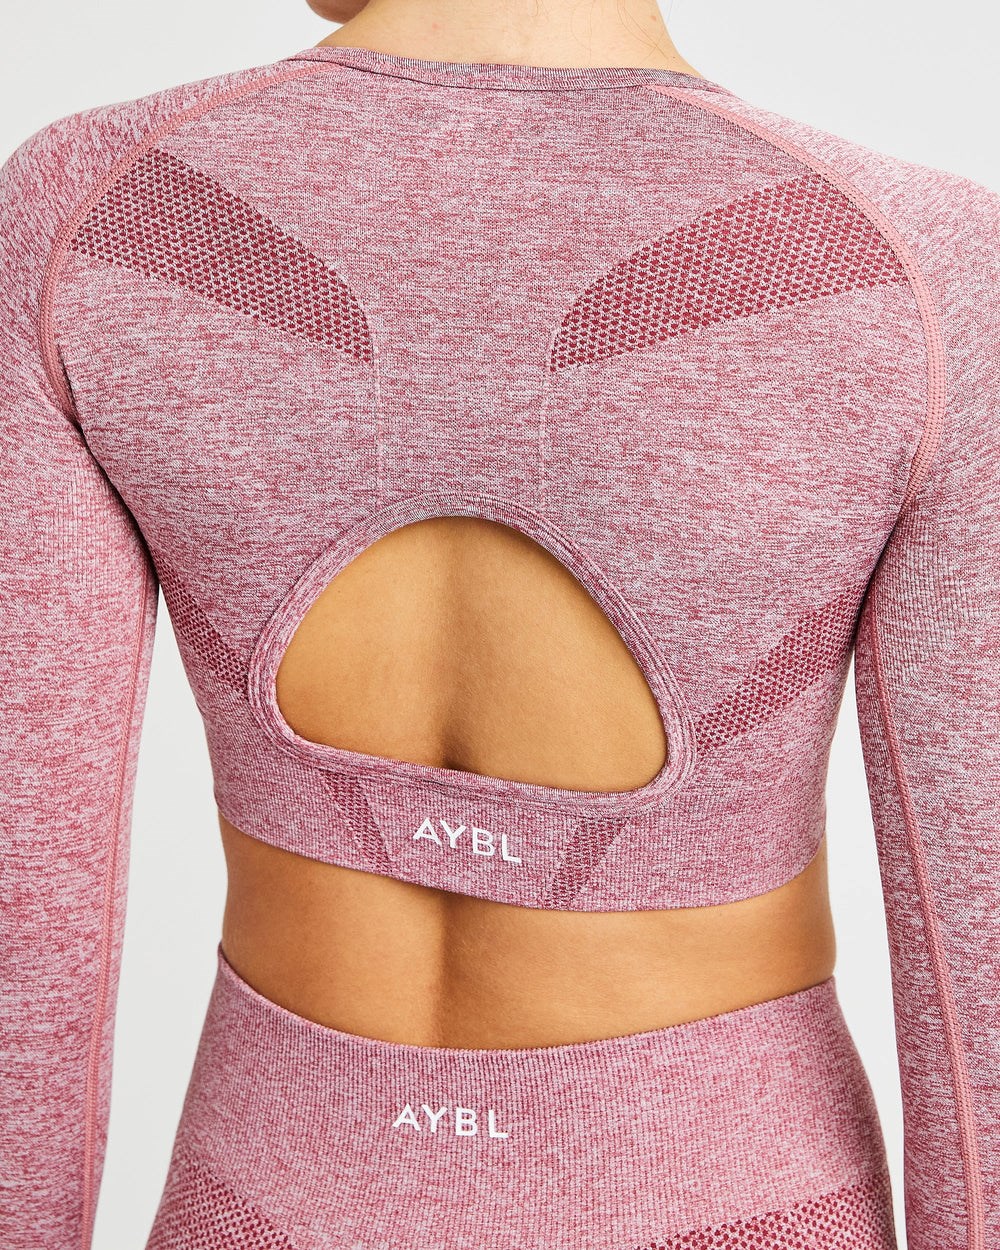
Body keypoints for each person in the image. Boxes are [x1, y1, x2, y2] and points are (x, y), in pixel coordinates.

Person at [1, 0, 997, 1243]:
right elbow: (979, 964)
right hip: (739, 1199)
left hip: (261, 1201)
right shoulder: (923, 268)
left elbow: (23, 898)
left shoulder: (91, 212)